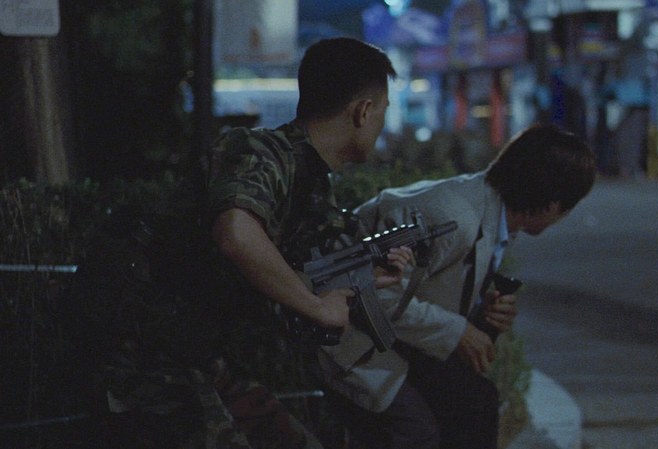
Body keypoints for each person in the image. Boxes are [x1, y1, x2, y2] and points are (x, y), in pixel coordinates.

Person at [71, 37, 410, 449]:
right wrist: (317, 306)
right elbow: (236, 234)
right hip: (143, 353)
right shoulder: (258, 151)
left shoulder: (311, 186)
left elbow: (286, 277)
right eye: (383, 111)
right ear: (363, 111)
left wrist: (361, 277)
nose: (381, 124)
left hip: (194, 351)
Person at [318, 124, 597, 449]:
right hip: (345, 338)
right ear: (552, 205)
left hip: (392, 341)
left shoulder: (492, 213)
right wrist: (458, 331)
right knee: (417, 432)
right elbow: (372, 292)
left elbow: (424, 288)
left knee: (476, 402)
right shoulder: (454, 217)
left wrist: (483, 314)